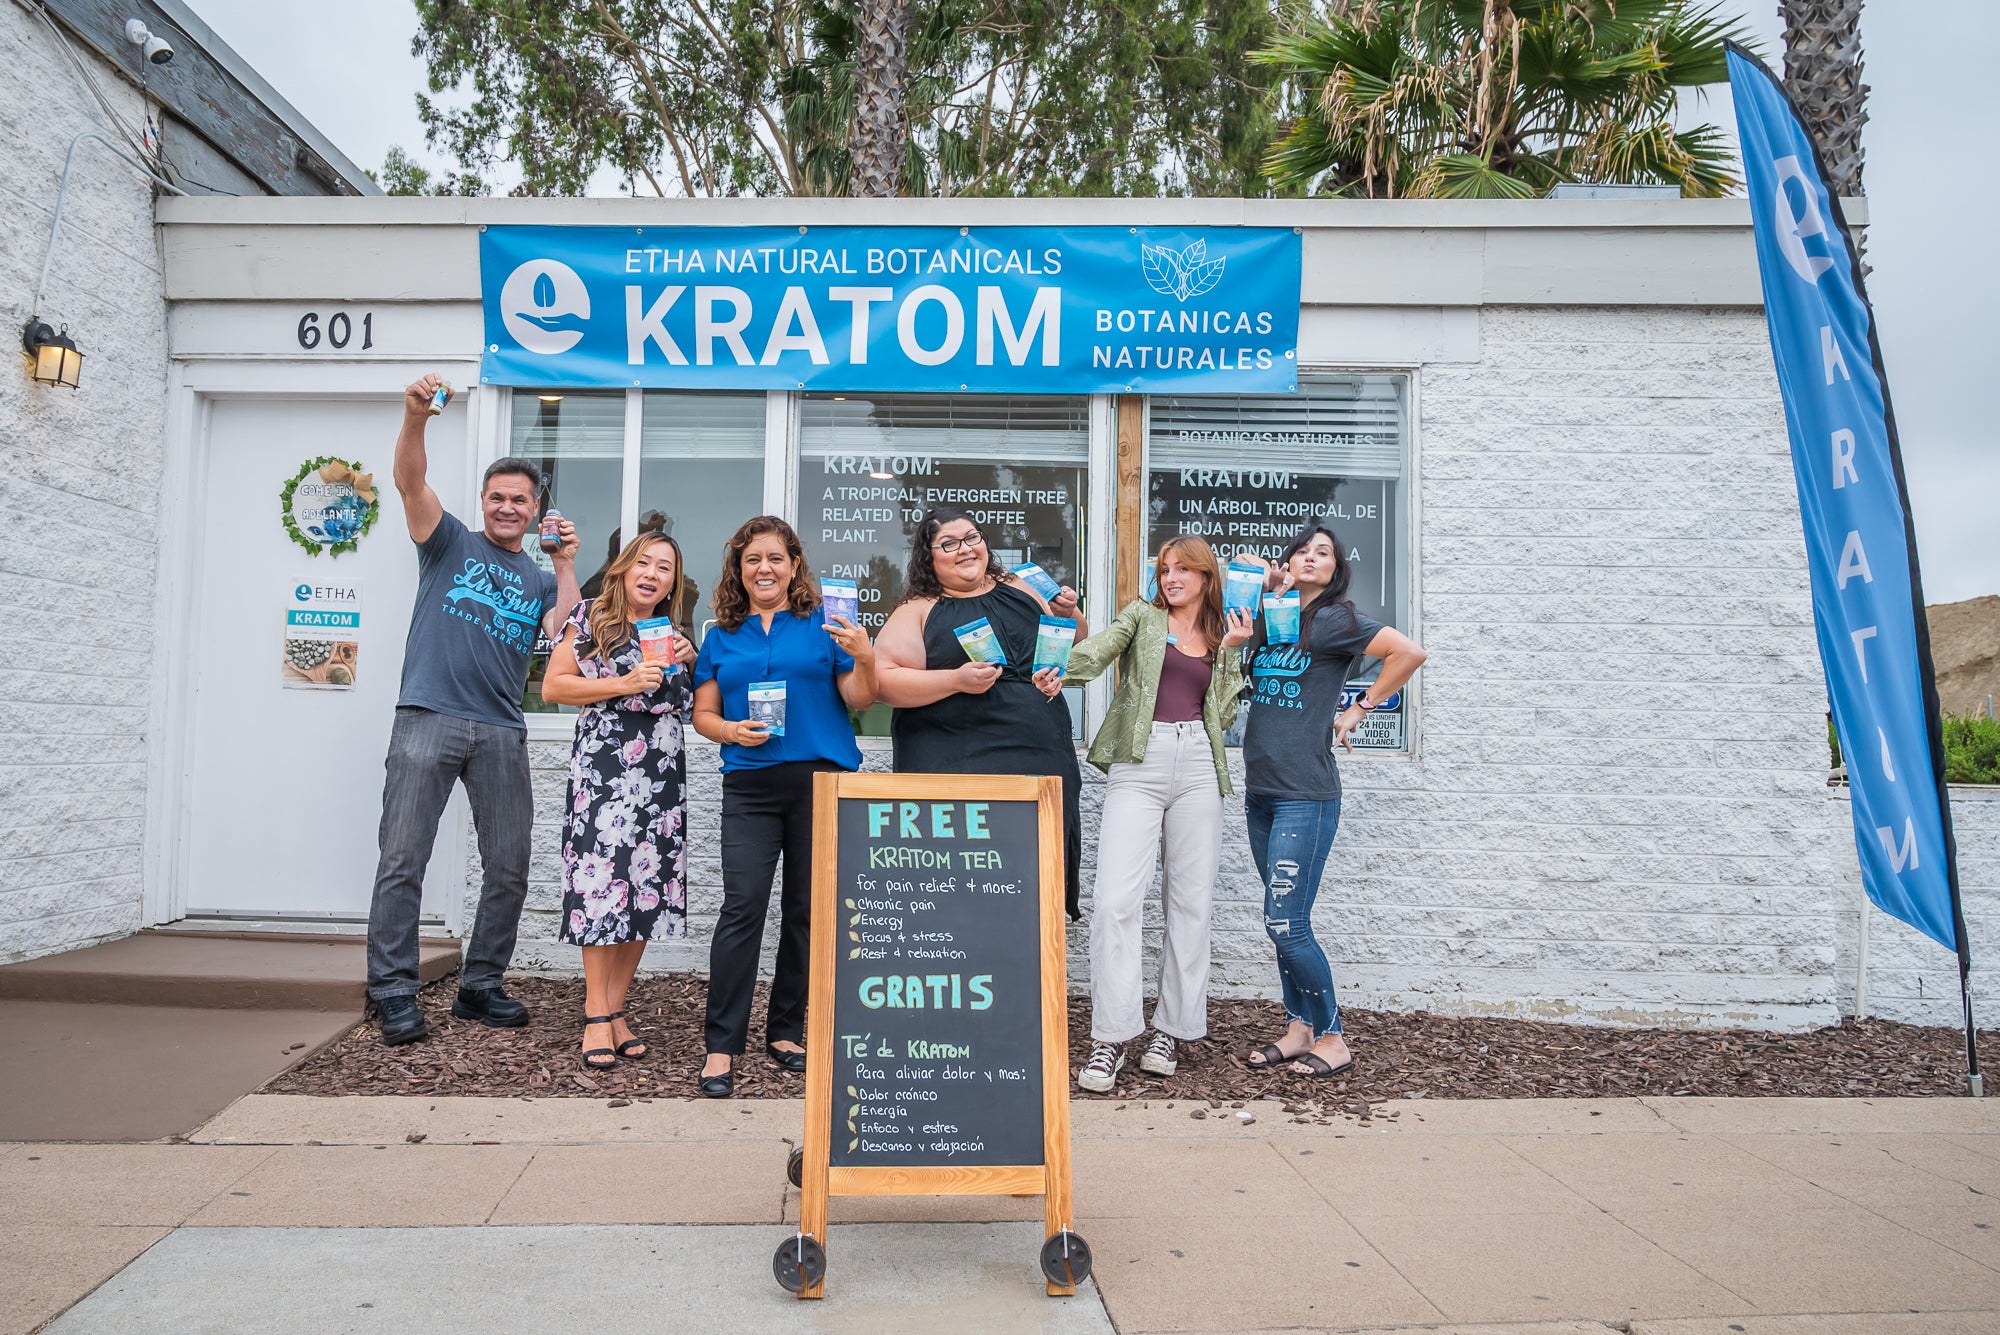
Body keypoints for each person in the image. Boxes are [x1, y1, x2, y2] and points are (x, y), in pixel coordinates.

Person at [367, 373, 580, 1046]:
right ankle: (393, 991)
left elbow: (567, 637)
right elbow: (409, 481)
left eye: (519, 499)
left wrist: (565, 562)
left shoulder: (539, 578)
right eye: (497, 497)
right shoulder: (448, 541)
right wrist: (415, 418)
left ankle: (480, 984)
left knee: (510, 865)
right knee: (403, 858)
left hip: (500, 729)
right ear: (483, 501)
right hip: (427, 716)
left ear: (536, 508)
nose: (507, 507)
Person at [1059, 536, 1254, 1092]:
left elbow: (1223, 715)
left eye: (1183, 569)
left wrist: (1232, 650)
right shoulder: (1141, 617)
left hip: (1198, 764)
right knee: (1115, 902)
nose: (1171, 578)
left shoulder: (1222, 631)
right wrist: (1052, 669)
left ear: (1206, 577)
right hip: (1139, 763)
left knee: (1190, 903)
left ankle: (1171, 1029)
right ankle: (1111, 1037)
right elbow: (1095, 653)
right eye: (1165, 569)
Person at [691, 517, 877, 1098]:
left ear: (795, 565)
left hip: (821, 780)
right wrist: (730, 730)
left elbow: (860, 699)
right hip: (749, 785)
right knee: (741, 909)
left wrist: (865, 656)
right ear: (739, 570)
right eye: (752, 559)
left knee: (805, 911)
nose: (764, 568)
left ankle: (786, 1031)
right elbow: (703, 715)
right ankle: (721, 1044)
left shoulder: (826, 624)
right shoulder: (721, 635)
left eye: (775, 557)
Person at [1236, 520, 1427, 1080]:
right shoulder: (1271, 614)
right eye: (1302, 550)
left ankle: (1333, 1036)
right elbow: (1237, 570)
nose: (1311, 557)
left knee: (1286, 923)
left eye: (1323, 552)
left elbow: (1408, 653)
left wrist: (1360, 707)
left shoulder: (1337, 620)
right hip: (1262, 791)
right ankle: (1299, 1028)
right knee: (1280, 921)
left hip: (1306, 795)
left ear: (1336, 568)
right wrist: (1265, 579)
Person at [874, 508, 1087, 917]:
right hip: (956, 762)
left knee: (1035, 876)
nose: (965, 549)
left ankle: (1030, 956)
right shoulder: (918, 608)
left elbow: (1073, 638)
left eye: (972, 538)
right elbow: (882, 683)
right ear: (928, 556)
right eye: (949, 544)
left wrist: (1067, 617)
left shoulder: (1021, 584)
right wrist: (954, 680)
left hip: (1040, 753)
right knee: (963, 884)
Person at [540, 532, 698, 1069]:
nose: (652, 574)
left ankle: (615, 1009)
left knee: (645, 891)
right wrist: (623, 683)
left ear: (673, 583)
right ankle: (594, 1012)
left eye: (665, 568)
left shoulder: (670, 634)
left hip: (661, 776)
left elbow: (688, 703)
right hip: (606, 770)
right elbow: (555, 687)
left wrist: (693, 660)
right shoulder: (592, 618)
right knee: (603, 888)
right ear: (624, 569)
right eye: (644, 563)